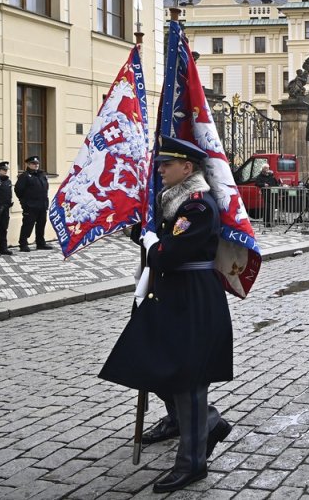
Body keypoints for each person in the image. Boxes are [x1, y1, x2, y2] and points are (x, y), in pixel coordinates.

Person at [99, 137, 233, 494]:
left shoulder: (197, 207)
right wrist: (141, 233)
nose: (159, 170)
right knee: (152, 365)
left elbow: (168, 253)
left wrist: (151, 243)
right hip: (169, 294)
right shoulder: (175, 203)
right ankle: (210, 422)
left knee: (187, 380)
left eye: (166, 165)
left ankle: (192, 464)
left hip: (190, 296)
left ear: (187, 168)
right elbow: (162, 241)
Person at [14, 156, 52, 251]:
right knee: (28, 225)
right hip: (30, 205)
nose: (36, 165)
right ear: (28, 164)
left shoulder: (41, 175)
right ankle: (23, 244)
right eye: (34, 164)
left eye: (37, 164)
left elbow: (45, 189)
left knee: (41, 224)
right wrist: (24, 202)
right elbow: (18, 190)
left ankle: (40, 243)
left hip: (42, 205)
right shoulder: (25, 176)